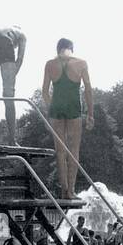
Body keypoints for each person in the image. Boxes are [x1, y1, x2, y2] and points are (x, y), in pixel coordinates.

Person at [41, 38, 94, 197]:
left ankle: (64, 190)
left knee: (60, 151)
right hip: (74, 109)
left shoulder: (50, 64)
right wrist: (90, 114)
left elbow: (44, 91)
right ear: (71, 49)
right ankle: (71, 189)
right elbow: (88, 90)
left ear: (58, 49)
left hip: (57, 108)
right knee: (74, 150)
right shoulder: (81, 63)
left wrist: (52, 106)